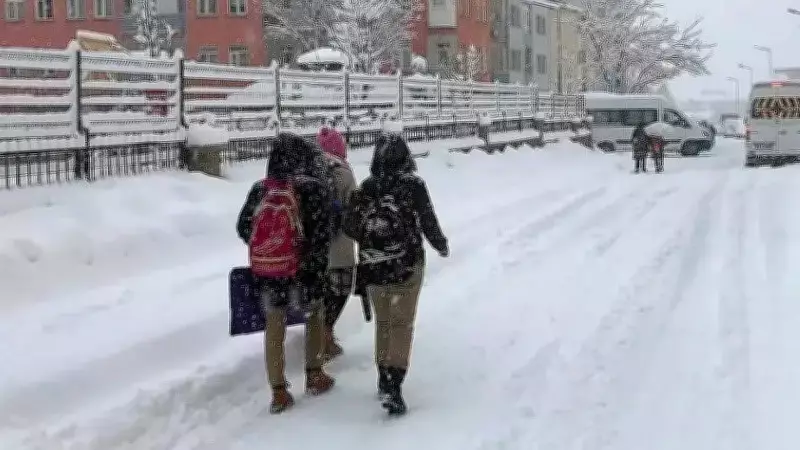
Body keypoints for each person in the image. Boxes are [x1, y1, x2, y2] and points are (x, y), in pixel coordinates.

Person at [344, 132, 449, 415]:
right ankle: (394, 383)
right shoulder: (413, 185)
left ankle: (383, 376)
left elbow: (349, 225)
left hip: (374, 265)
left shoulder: (367, 187)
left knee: (385, 322)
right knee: (402, 324)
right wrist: (441, 244)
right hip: (407, 263)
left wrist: (371, 238)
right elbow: (427, 220)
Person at [235, 132, 335, 415]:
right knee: (315, 315)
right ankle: (314, 374)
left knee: (274, 325)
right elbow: (323, 233)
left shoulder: (260, 190)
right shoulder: (312, 189)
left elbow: (243, 227)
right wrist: (309, 261)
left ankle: (278, 391)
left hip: (270, 272)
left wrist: (272, 248)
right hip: (304, 271)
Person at [316, 126, 357, 360]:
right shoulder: (343, 172)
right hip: (340, 244)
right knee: (340, 290)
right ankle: (326, 332)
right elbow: (355, 208)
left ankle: (318, 332)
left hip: (314, 245)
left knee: (319, 291)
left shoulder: (308, 170)